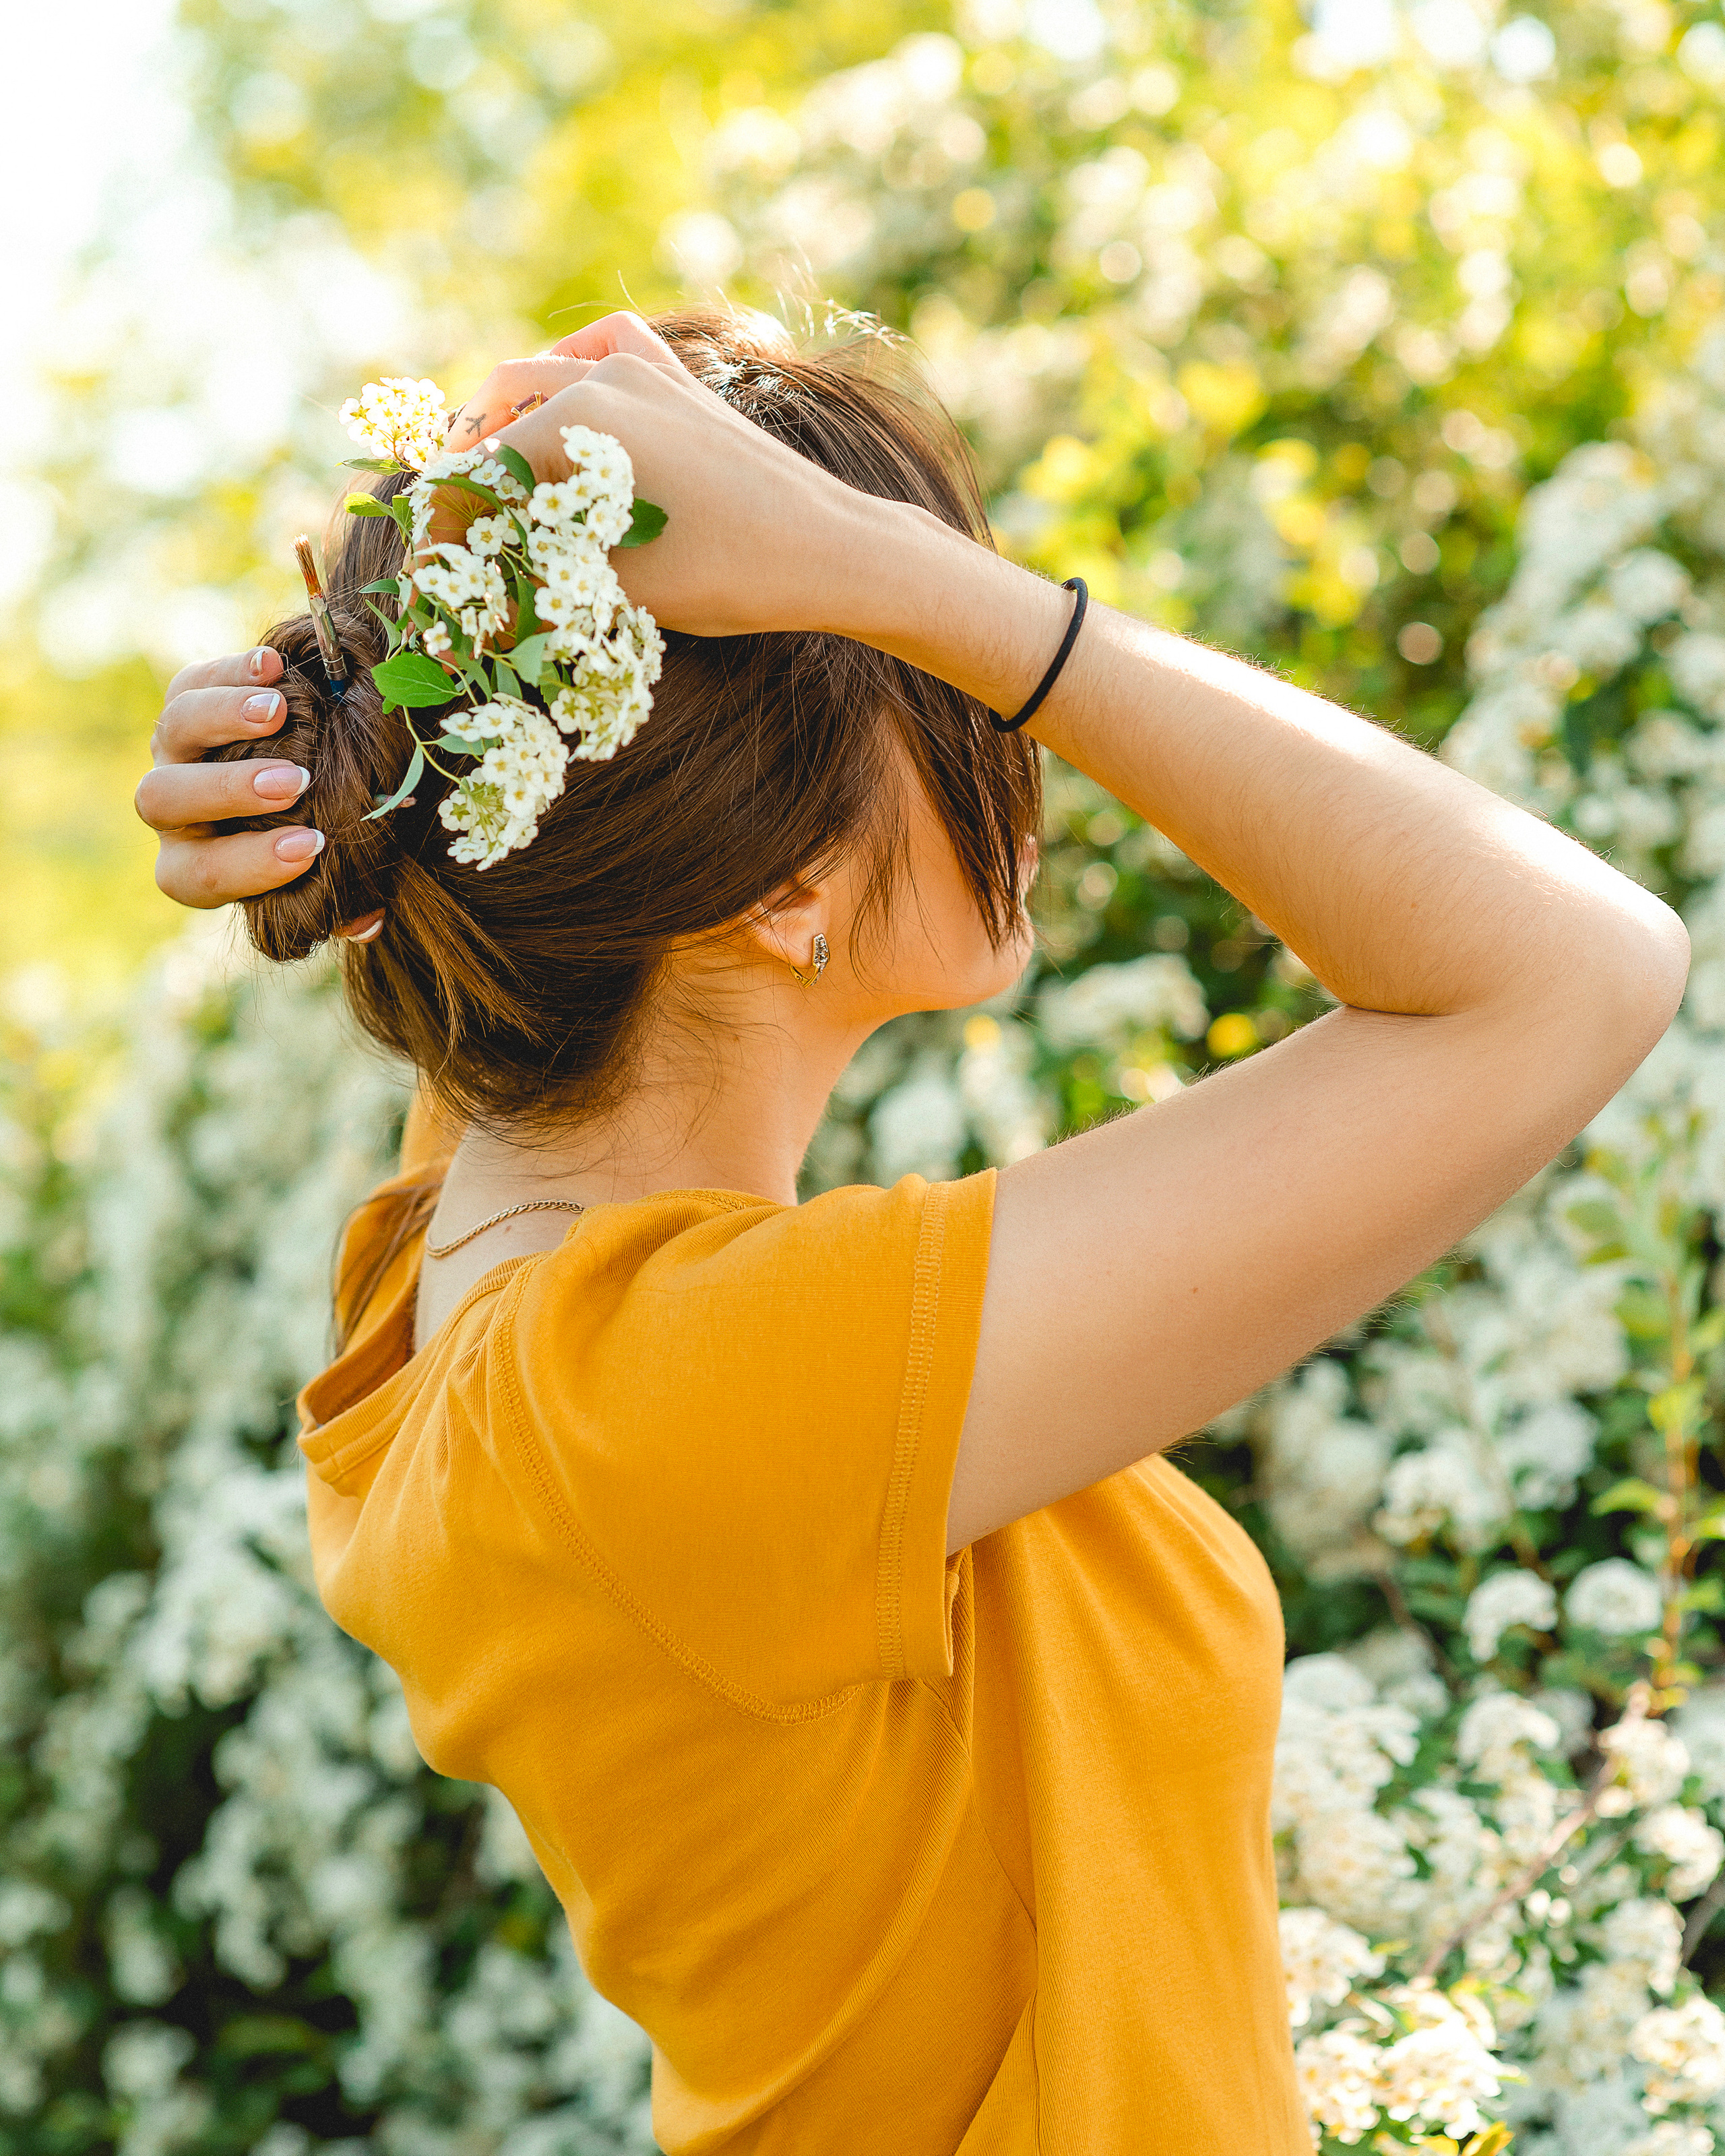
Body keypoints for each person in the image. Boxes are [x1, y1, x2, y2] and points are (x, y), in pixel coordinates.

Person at [134, 306, 1687, 2153]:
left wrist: (336, 743)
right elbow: (1580, 971)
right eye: (932, 649)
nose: (1014, 721)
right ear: (791, 884)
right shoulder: (669, 1391)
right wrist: (908, 579)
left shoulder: (451, 1289)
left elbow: (515, 868)